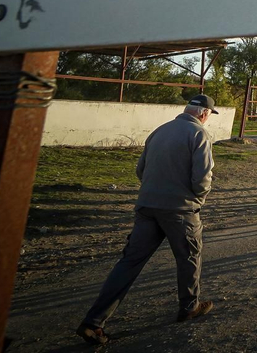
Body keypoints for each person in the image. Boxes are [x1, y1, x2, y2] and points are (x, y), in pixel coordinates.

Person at [76, 93, 218, 346]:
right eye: (208, 116)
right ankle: (189, 307)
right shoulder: (199, 135)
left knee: (129, 262)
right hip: (179, 210)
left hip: (147, 207)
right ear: (204, 114)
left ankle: (93, 322)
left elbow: (140, 170)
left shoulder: (159, 131)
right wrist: (198, 197)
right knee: (188, 258)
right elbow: (202, 177)